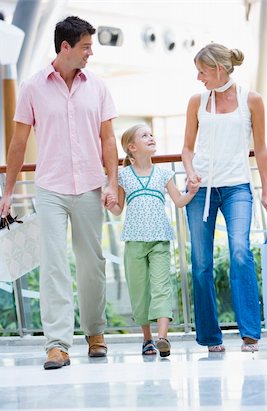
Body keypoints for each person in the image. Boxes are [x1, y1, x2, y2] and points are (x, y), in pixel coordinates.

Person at [0, 16, 119, 369]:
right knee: (54, 266)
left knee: (92, 264)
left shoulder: (97, 87)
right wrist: (7, 192)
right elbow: (18, 143)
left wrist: (111, 182)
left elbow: (109, 138)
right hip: (50, 188)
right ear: (65, 47)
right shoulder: (32, 87)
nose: (90, 53)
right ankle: (56, 345)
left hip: (89, 185)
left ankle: (95, 333)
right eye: (85, 46)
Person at [182, 43, 267, 353]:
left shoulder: (252, 99)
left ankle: (250, 333)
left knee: (239, 251)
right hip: (200, 191)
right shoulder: (197, 101)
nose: (198, 77)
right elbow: (187, 149)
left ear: (218, 69)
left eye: (202, 71)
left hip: (237, 187)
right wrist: (189, 171)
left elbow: (260, 148)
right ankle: (210, 337)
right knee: (201, 264)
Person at [106, 124, 200, 357]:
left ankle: (162, 338)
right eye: (144, 135)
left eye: (151, 134)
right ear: (132, 147)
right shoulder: (124, 176)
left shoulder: (163, 174)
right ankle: (147, 339)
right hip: (134, 241)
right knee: (140, 290)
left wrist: (192, 191)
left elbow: (179, 201)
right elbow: (118, 209)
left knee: (161, 288)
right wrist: (108, 202)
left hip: (160, 240)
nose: (151, 137)